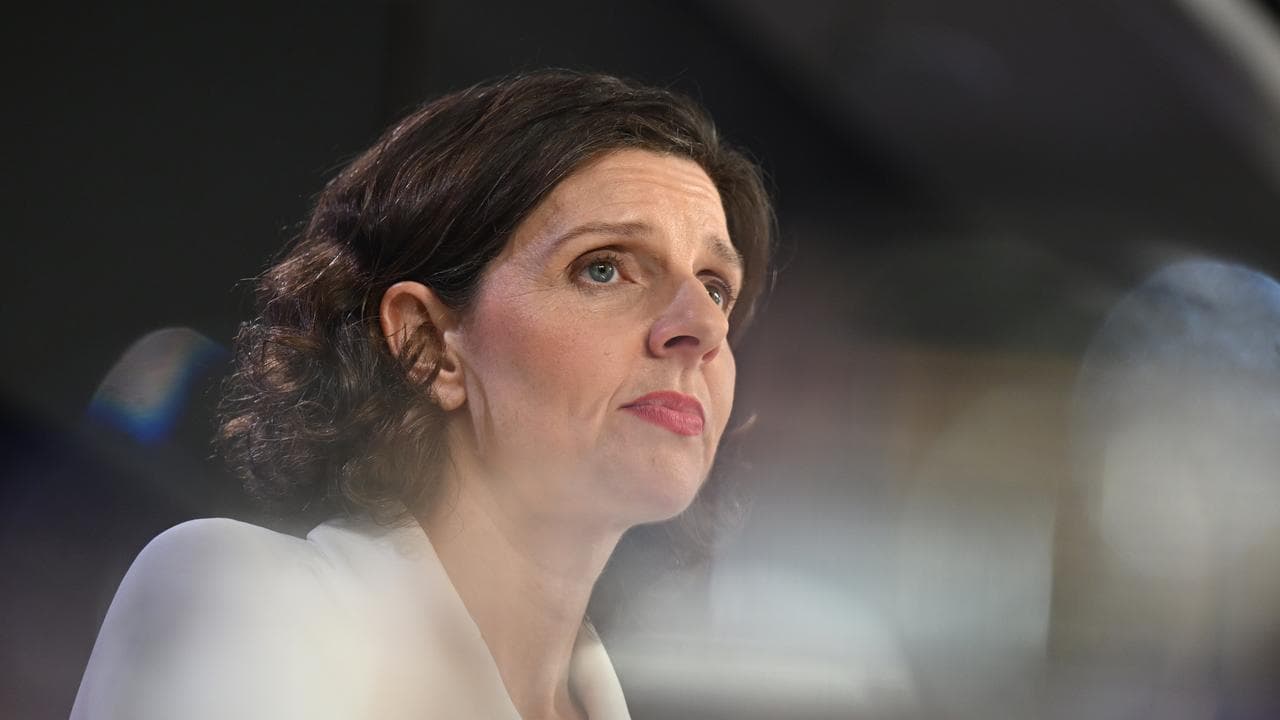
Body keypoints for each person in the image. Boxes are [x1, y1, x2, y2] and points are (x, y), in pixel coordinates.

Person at [70, 69, 774, 720]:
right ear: (428, 342)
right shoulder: (242, 600)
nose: (704, 327)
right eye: (603, 268)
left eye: (716, 287)